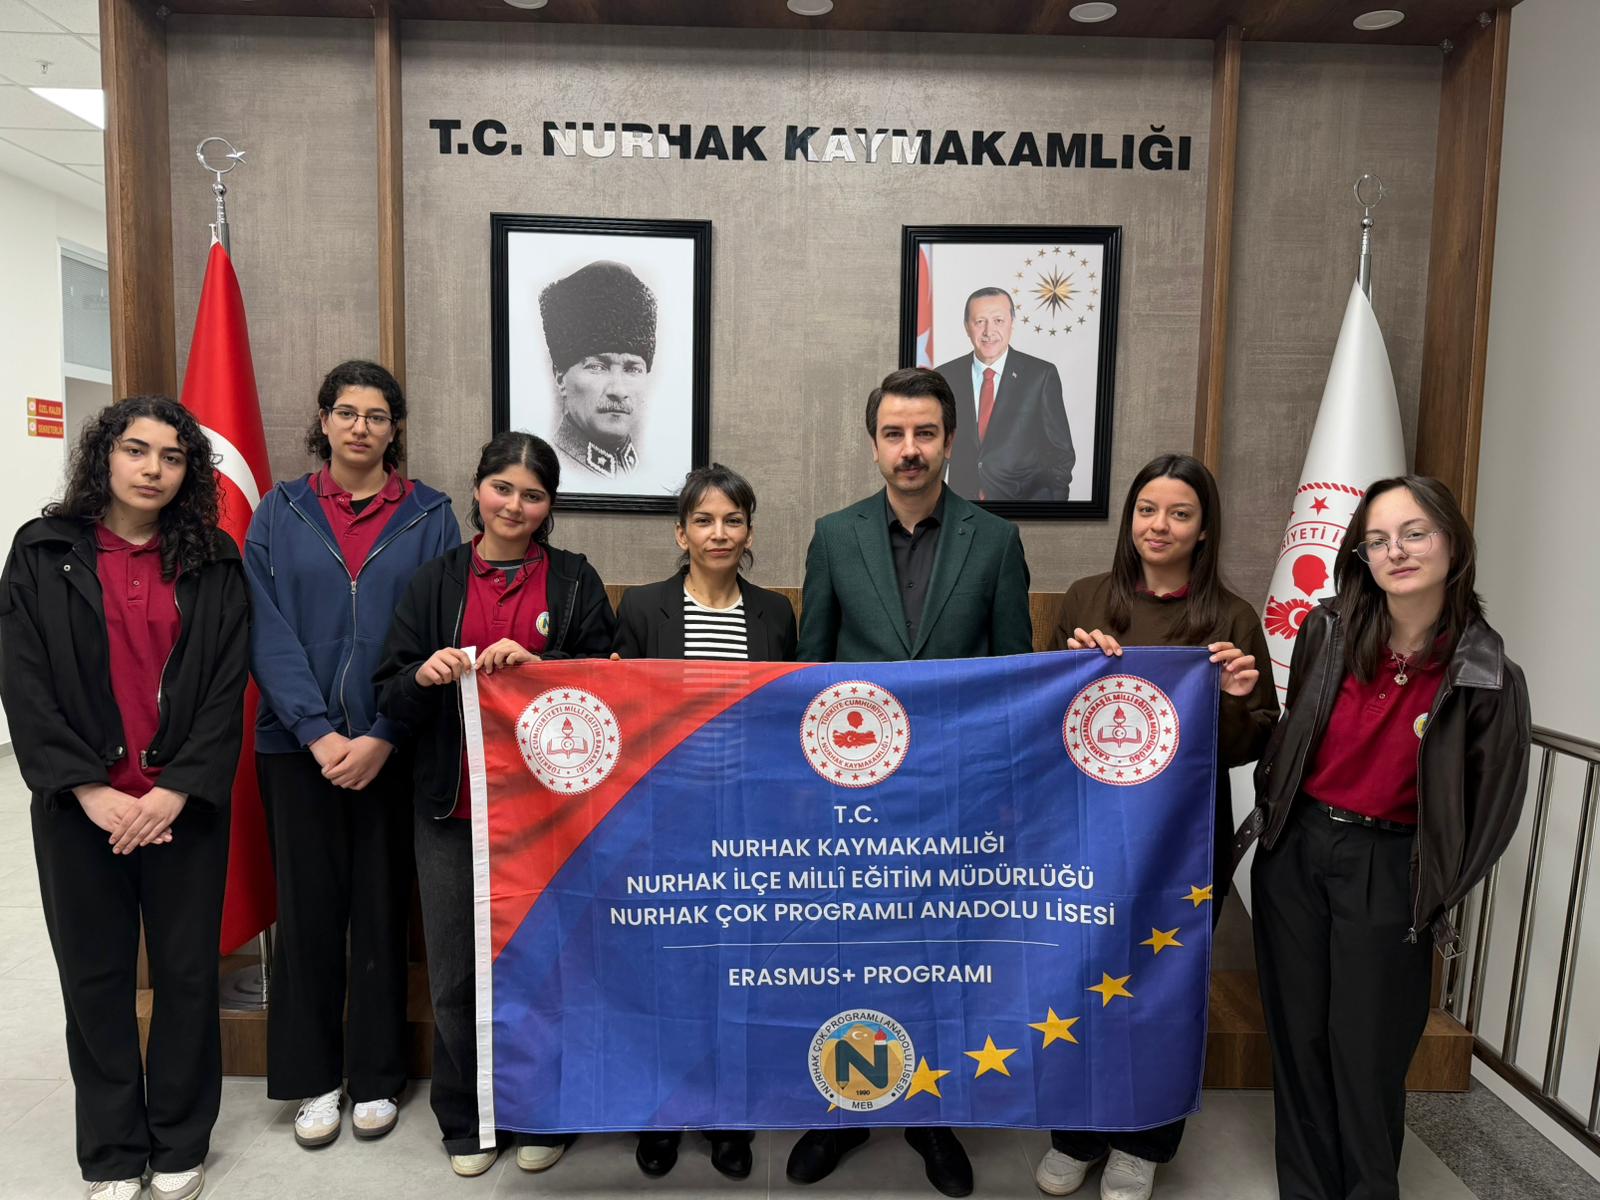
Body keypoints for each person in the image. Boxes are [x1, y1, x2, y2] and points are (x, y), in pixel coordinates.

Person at [1246, 475, 1530, 1200]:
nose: (1395, 551)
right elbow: (1297, 731)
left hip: (1391, 865)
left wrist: (1432, 888)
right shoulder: (1328, 630)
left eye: (1413, 533)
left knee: (1367, 1052)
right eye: (1377, 540)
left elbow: (1492, 810)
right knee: (1299, 1040)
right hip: (1297, 849)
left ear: (1452, 542)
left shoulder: (1488, 674)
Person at [789, 367, 1033, 1198]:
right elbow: (812, 671)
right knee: (852, 954)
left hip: (956, 797)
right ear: (874, 444)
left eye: (925, 433)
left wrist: (1000, 792)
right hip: (854, 797)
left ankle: (932, 1113)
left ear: (950, 440)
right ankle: (844, 1109)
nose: (910, 449)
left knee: (941, 958)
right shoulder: (834, 536)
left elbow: (1013, 678)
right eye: (894, 434)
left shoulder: (995, 541)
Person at [0, 396, 249, 1200]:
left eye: (173, 457)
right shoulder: (42, 551)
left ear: (190, 472)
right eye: (136, 450)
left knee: (186, 977)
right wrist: (85, 786)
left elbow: (225, 689)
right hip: (81, 813)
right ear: (104, 455)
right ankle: (111, 1152)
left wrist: (174, 790)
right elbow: (23, 680)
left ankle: (179, 1142)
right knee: (95, 981)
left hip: (183, 809)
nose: (152, 469)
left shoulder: (214, 558)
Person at [1036, 453, 1278, 1200]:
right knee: (1077, 979)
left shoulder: (1233, 617)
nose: (1160, 525)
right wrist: (1066, 671)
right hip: (1085, 832)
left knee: (1163, 988)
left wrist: (1234, 695)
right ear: (1130, 518)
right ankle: (1074, 1134)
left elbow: (1252, 742)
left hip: (1182, 842)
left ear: (1204, 529)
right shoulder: (1086, 598)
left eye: (1180, 513)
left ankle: (1145, 1141)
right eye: (1147, 510)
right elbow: (1042, 722)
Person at [374, 431, 616, 1177]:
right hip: (452, 810)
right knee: (455, 972)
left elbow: (606, 683)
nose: (515, 506)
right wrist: (424, 675)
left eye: (533, 495)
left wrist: (545, 668)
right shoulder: (434, 581)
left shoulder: (574, 580)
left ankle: (544, 1110)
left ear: (550, 506)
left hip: (550, 813)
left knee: (548, 966)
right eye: (502, 488)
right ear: (477, 489)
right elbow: (388, 693)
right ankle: (468, 1116)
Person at [244, 360, 459, 1149]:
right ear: (325, 421)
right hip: (294, 747)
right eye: (347, 412)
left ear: (395, 428)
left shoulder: (431, 515)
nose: (361, 427)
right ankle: (313, 1079)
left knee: (381, 912)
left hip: (393, 745)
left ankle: (375, 1076)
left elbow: (438, 630)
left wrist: (382, 734)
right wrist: (317, 732)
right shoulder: (279, 512)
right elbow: (263, 627)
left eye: (376, 415)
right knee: (306, 917)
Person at [612, 462, 797, 1180]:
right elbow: (624, 718)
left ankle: (727, 1114)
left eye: (733, 520)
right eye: (704, 520)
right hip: (664, 821)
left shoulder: (775, 613)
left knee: (734, 974)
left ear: (748, 531)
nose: (719, 533)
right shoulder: (643, 608)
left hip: (749, 821)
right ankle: (663, 1111)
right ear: (680, 532)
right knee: (667, 972)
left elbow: (788, 722)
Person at [937, 286, 1075, 502]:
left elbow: (1061, 454)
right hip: (962, 508)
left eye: (998, 321)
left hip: (1022, 506)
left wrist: (1048, 509)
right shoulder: (944, 376)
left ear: (1012, 323)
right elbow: (936, 448)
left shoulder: (1040, 375)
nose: (988, 331)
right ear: (966, 327)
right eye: (979, 321)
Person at [540, 260, 657, 481]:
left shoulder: (654, 474)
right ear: (560, 376)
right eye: (597, 367)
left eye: (632, 369)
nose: (618, 390)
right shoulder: (544, 469)